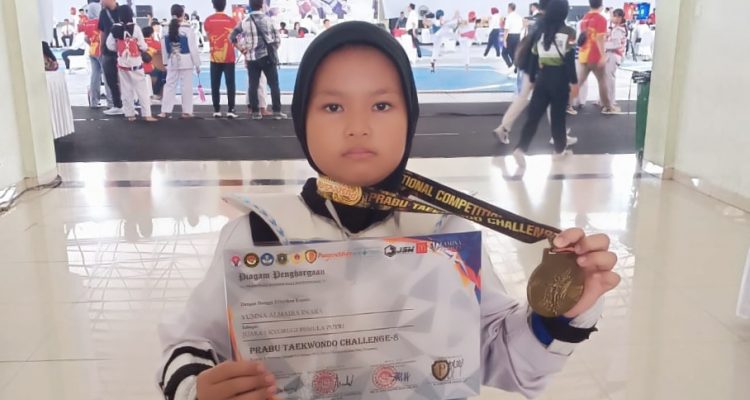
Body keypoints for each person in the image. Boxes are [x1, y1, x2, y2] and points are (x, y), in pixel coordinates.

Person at [157, 20, 618, 400]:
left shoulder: (444, 237)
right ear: (302, 121)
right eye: (332, 106)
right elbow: (190, 343)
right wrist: (197, 389)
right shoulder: (258, 237)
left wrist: (563, 314)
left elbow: (507, 361)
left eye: (381, 105)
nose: (358, 127)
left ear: (409, 118)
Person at [494, 0, 579, 147]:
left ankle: (504, 128)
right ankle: (558, 136)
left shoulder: (537, 21)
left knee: (522, 98)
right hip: (540, 67)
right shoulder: (549, 22)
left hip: (529, 65)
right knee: (552, 101)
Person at [513, 0, 579, 168]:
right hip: (560, 80)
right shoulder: (569, 32)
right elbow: (570, 60)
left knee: (533, 117)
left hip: (542, 79)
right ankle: (559, 151)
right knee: (558, 118)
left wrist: (533, 78)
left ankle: (521, 148)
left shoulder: (541, 31)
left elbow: (534, 58)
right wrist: (574, 82)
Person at [230, 0, 286, 120]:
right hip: (267, 57)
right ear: (262, 5)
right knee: (274, 85)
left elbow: (232, 36)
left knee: (253, 85)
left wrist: (242, 49)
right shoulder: (269, 20)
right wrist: (272, 50)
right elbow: (277, 40)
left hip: (251, 58)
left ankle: (255, 112)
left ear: (250, 6)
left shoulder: (244, 21)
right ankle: (277, 111)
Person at [105, 5, 157, 122]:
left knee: (126, 89)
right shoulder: (136, 28)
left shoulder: (115, 28)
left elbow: (110, 45)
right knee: (142, 89)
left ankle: (130, 114)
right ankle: (147, 114)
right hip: (135, 62)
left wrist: (119, 49)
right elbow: (143, 46)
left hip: (122, 63)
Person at [574, 0, 620, 114]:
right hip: (594, 55)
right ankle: (608, 107)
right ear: (601, 5)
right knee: (602, 81)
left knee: (579, 82)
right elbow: (599, 39)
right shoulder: (601, 19)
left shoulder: (585, 18)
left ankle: (565, 104)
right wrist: (603, 56)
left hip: (583, 54)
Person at [159, 4, 201, 119]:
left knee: (169, 85)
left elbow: (164, 47)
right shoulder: (187, 28)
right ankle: (186, 111)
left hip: (172, 60)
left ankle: (165, 111)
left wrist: (165, 62)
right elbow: (193, 48)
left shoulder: (165, 28)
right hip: (186, 60)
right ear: (182, 14)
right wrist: (197, 64)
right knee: (186, 87)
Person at [205, 0, 238, 119]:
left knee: (215, 84)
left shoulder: (208, 20)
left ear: (213, 5)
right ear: (225, 5)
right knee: (230, 84)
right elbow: (235, 38)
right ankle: (231, 110)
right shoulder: (232, 21)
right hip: (229, 57)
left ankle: (216, 110)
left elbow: (208, 37)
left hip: (215, 57)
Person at [99, 0, 125, 116]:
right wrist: (101, 48)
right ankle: (117, 105)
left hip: (123, 50)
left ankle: (127, 104)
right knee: (110, 79)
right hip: (108, 51)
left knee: (126, 79)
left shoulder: (123, 10)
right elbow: (102, 31)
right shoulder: (103, 13)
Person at [80, 2, 107, 108]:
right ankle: (111, 102)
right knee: (107, 76)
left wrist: (92, 44)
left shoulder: (88, 23)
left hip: (92, 51)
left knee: (95, 76)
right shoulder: (101, 21)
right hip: (101, 50)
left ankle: (94, 101)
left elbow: (86, 39)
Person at [604, 9, 627, 109]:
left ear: (621, 18)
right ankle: (605, 100)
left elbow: (616, 45)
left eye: (618, 16)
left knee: (609, 79)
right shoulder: (616, 28)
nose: (615, 18)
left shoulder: (619, 30)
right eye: (614, 16)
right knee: (607, 78)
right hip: (612, 55)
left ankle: (610, 102)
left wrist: (603, 44)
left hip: (614, 55)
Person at [142, 26, 167, 100]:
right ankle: (157, 93)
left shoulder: (139, 43)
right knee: (164, 72)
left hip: (139, 69)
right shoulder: (157, 43)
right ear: (152, 34)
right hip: (154, 70)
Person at [503, 3, 524, 70]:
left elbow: (506, 30)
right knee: (514, 53)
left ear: (509, 8)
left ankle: (510, 66)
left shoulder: (509, 17)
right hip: (518, 36)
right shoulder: (519, 17)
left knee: (504, 53)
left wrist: (504, 40)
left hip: (510, 36)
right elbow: (522, 27)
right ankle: (515, 68)